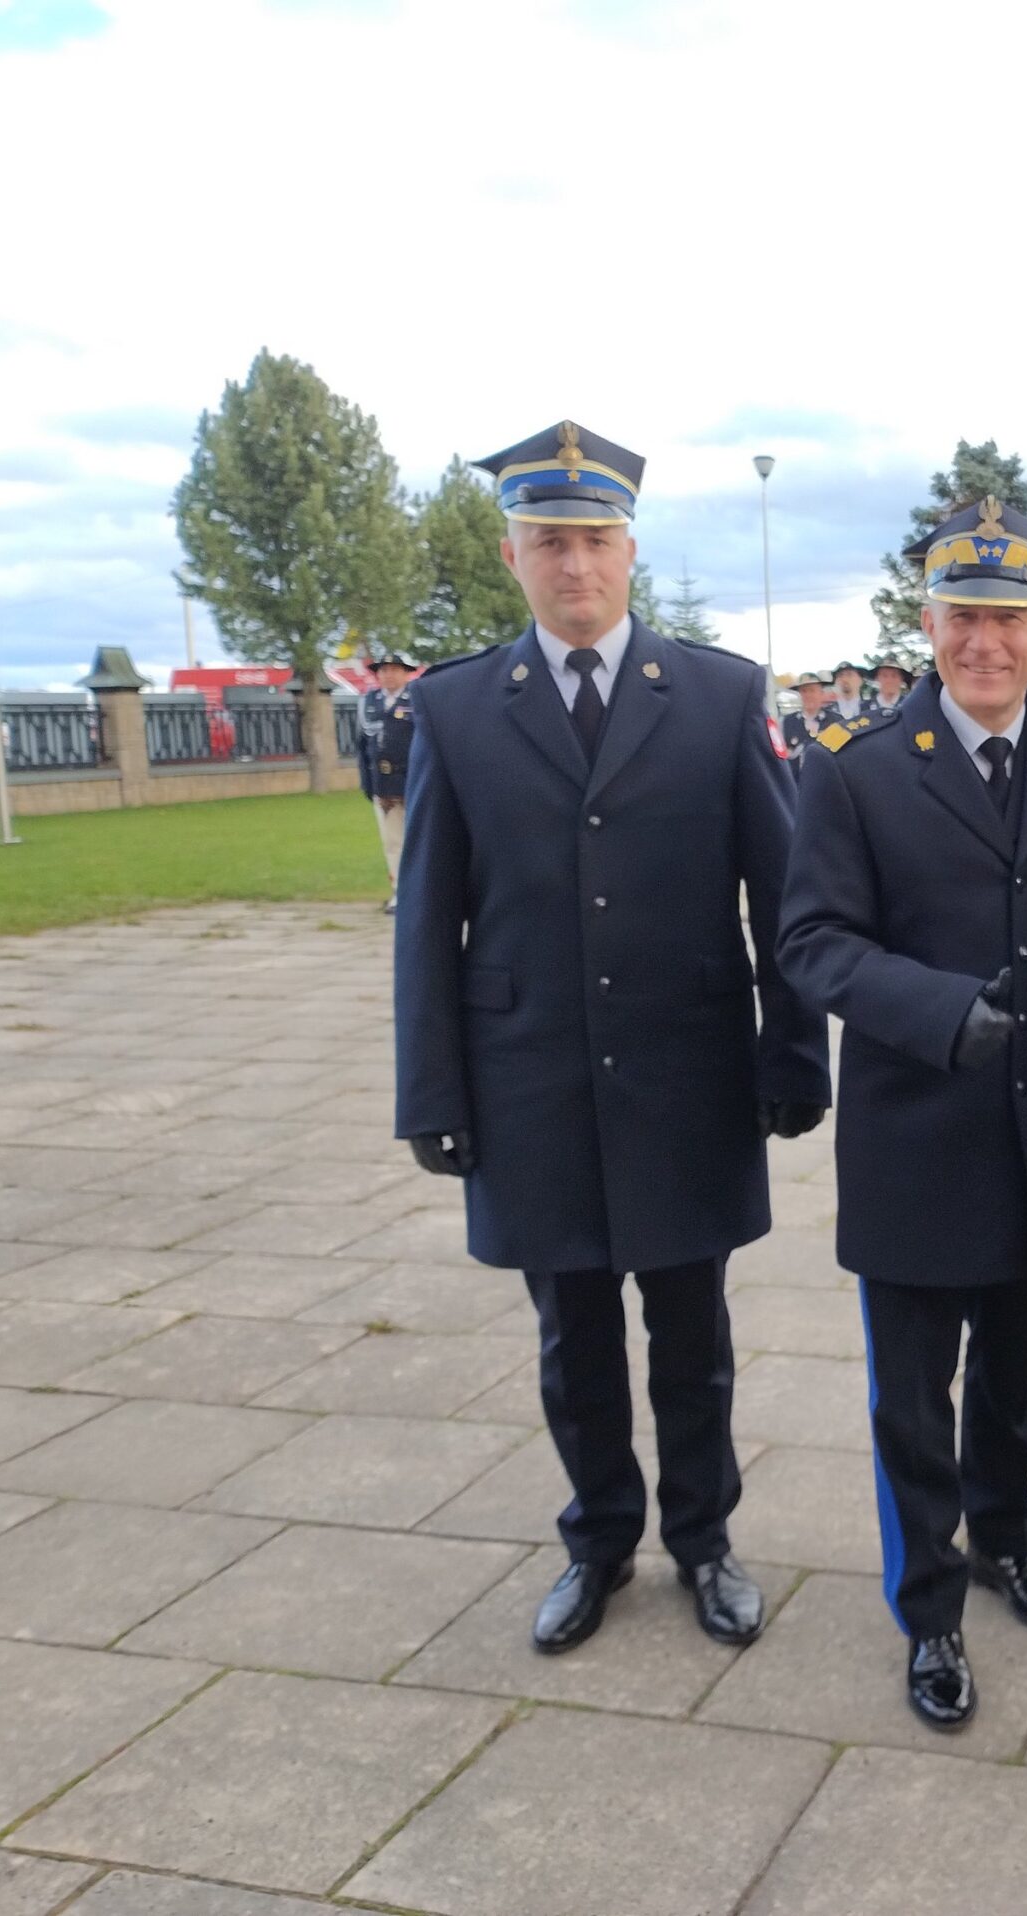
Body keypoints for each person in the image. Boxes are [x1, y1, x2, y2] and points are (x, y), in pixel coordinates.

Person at [394, 419, 829, 1656]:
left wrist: (795, 1052)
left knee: (693, 1334)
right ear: (511, 555)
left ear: (630, 550)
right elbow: (427, 916)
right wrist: (431, 1090)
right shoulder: (456, 706)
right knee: (571, 1337)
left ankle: (705, 1539)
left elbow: (781, 895)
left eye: (593, 540)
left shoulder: (718, 694)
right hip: (529, 1081)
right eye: (548, 542)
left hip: (688, 1077)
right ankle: (597, 1540)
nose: (573, 564)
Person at [779, 497, 1027, 1731]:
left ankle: (1006, 1541)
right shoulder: (856, 765)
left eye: (1009, 618)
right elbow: (811, 941)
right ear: (925, 624)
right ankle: (926, 1607)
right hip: (916, 1132)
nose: (985, 641)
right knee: (914, 1400)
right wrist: (936, 1009)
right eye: (962, 616)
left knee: (1014, 1380)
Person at [357, 648, 418, 914]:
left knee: (421, 840)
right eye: (383, 670)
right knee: (393, 842)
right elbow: (362, 746)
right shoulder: (369, 702)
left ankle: (424, 893)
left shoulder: (417, 699)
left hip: (414, 781)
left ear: (406, 673)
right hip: (384, 784)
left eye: (394, 670)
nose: (388, 675)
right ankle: (399, 893)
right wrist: (367, 783)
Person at [781, 674, 831, 768]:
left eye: (812, 690)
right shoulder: (788, 721)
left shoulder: (835, 721)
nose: (808, 695)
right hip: (797, 776)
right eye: (804, 691)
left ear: (821, 694)